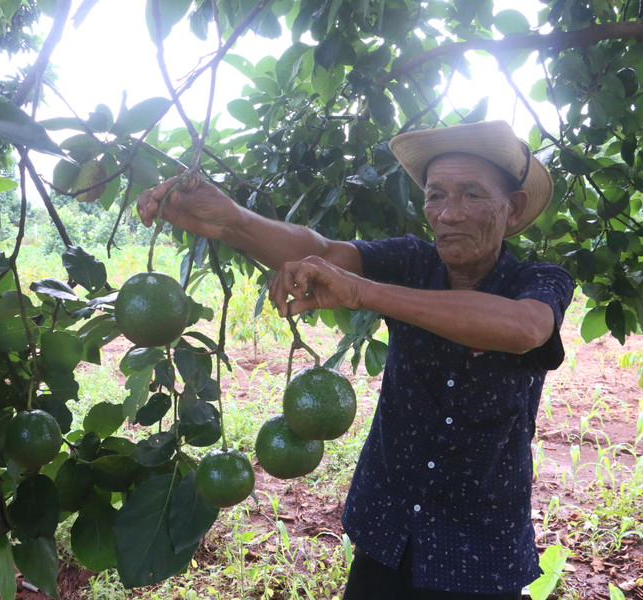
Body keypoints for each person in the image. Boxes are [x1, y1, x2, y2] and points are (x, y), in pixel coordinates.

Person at [137, 120, 575, 599]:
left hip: (479, 546)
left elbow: (525, 328)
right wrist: (232, 221)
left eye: (472, 194)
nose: (449, 214)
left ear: (512, 210)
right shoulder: (411, 261)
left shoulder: (540, 279)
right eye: (435, 195)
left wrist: (365, 292)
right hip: (387, 529)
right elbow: (322, 252)